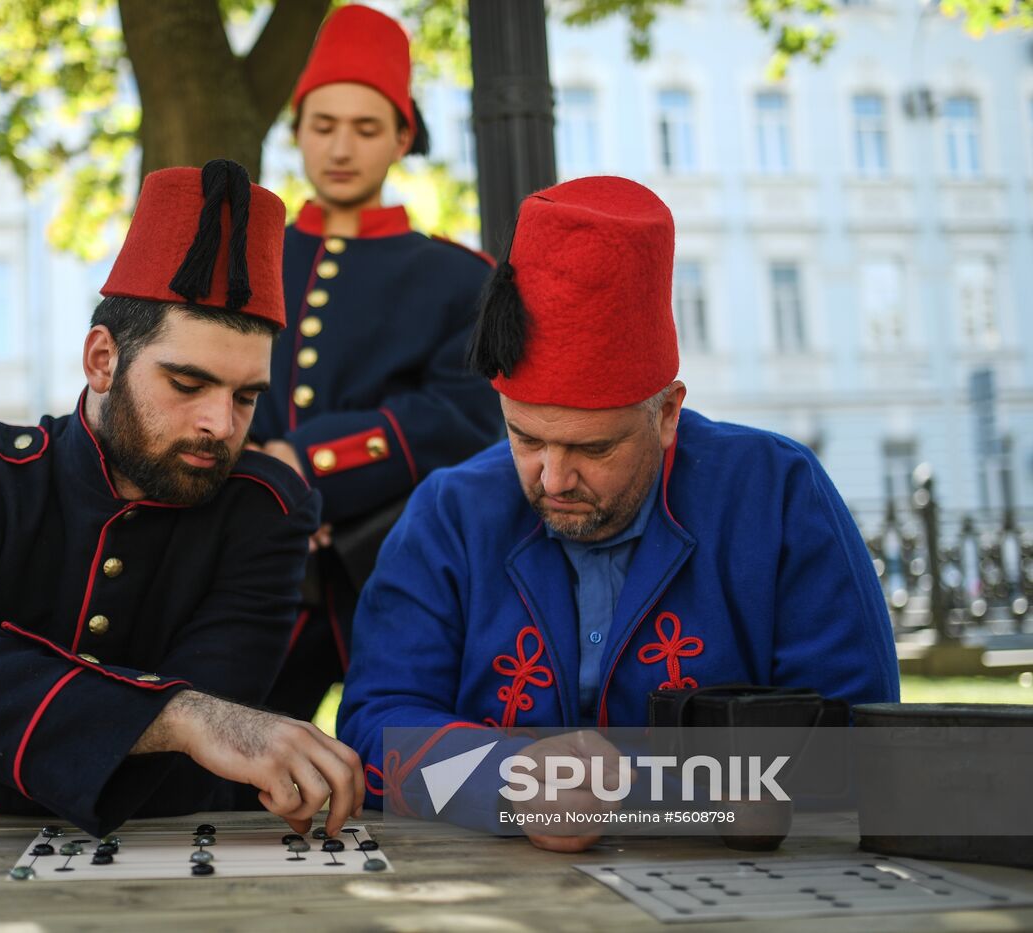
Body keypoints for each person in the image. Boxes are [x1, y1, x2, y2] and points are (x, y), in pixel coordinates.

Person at [337, 175, 900, 848]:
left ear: (667, 413)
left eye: (592, 447)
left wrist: (623, 790)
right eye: (525, 437)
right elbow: (375, 727)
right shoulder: (450, 512)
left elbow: (856, 741)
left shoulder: (778, 493)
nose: (552, 478)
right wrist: (509, 780)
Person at [0, 160, 364, 837]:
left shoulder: (267, 511)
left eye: (246, 396)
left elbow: (183, 778)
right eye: (188, 384)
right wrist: (182, 716)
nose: (221, 423)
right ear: (102, 360)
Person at [250, 4, 501, 722]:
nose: (340, 148)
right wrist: (264, 481)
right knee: (223, 758)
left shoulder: (458, 277)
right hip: (258, 562)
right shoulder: (249, 258)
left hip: (394, 566)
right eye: (323, 125)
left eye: (365, 129)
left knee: (416, 756)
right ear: (297, 130)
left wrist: (307, 462)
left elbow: (462, 419)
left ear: (402, 137)